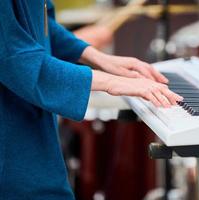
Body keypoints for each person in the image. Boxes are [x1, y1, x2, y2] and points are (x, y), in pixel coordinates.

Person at [0, 1, 182, 199]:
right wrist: (110, 82)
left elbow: (42, 25)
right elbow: (16, 60)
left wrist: (98, 58)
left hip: (35, 135)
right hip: (11, 143)